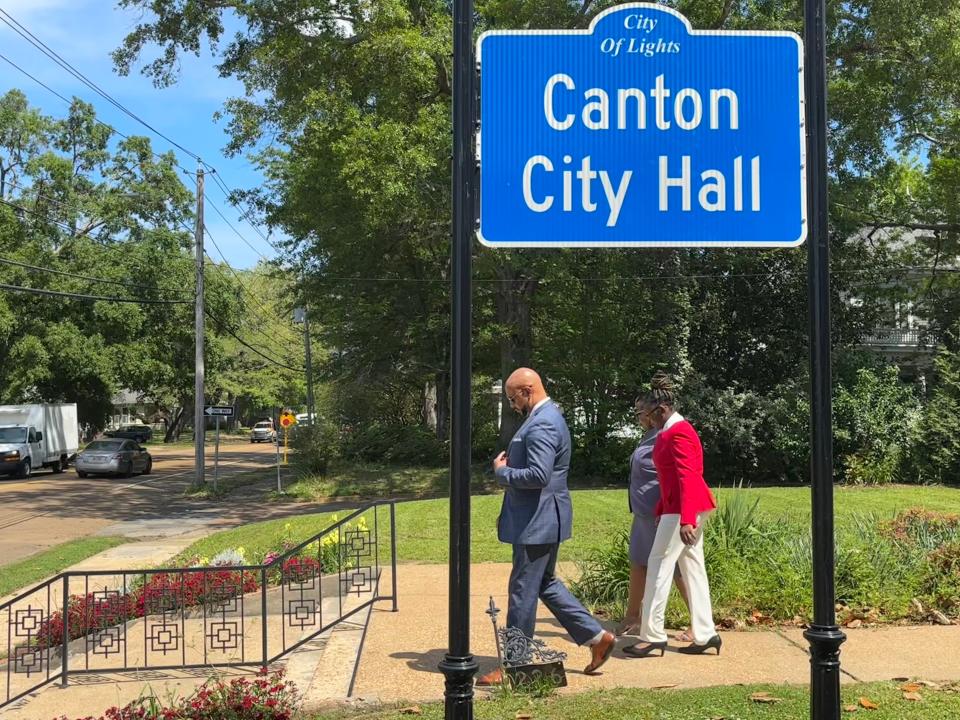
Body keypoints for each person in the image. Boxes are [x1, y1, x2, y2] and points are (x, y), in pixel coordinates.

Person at [475, 368, 615, 686]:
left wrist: (501, 472)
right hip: (540, 518)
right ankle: (597, 637)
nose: (512, 405)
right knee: (545, 584)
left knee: (523, 590)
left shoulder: (542, 424)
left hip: (537, 522)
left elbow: (538, 476)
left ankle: (515, 666)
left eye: (513, 398)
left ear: (527, 390)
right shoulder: (546, 418)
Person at [624, 373, 722, 658]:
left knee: (658, 564)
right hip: (677, 506)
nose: (646, 420)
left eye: (648, 414)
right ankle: (706, 634)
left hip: (684, 507)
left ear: (662, 409)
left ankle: (652, 635)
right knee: (692, 566)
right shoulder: (669, 431)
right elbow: (669, 478)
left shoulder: (678, 431)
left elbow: (688, 477)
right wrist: (660, 509)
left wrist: (686, 519)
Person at [616, 396, 692, 638]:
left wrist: (673, 511)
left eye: (641, 411)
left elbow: (679, 475)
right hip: (643, 512)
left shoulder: (665, 434)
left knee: (676, 568)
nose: (638, 416)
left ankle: (699, 623)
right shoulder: (649, 435)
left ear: (654, 412)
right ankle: (633, 616)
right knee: (638, 561)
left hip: (658, 512)